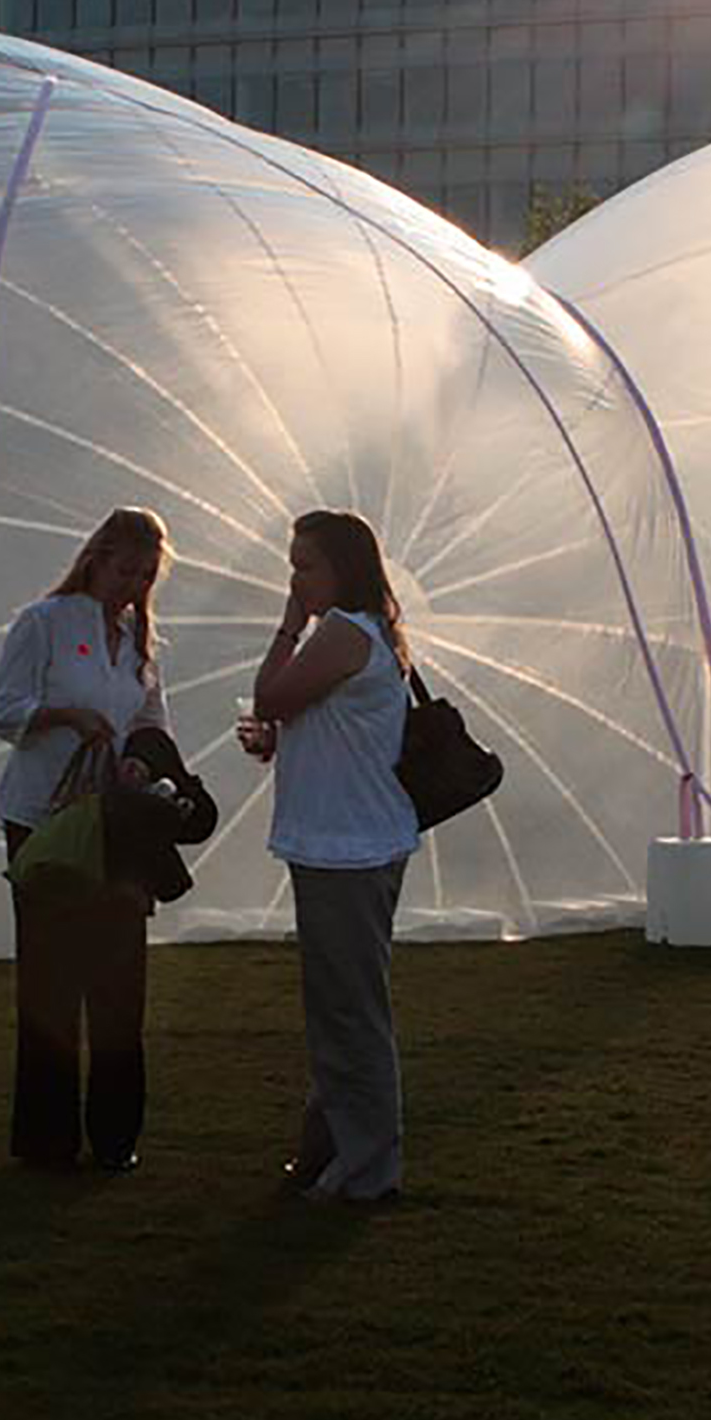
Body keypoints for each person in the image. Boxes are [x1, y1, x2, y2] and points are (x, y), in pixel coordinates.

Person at [0, 508, 174, 1171]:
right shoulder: (44, 622)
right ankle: (46, 1139)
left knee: (121, 981)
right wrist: (68, 716)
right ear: (97, 558)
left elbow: (152, 722)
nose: (132, 584)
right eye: (125, 569)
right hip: (45, 818)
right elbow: (1, 709)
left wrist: (140, 761)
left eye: (145, 575)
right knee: (50, 984)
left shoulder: (137, 638)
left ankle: (117, 1136)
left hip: (114, 822)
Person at [238, 509, 419, 1205]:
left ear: (343, 568)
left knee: (350, 1012)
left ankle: (368, 1168)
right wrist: (279, 741)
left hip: (350, 846)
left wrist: (287, 624)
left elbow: (272, 694)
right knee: (336, 1007)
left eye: (306, 565)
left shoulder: (342, 631)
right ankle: (326, 1150)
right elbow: (315, 721)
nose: (295, 578)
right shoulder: (358, 633)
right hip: (342, 841)